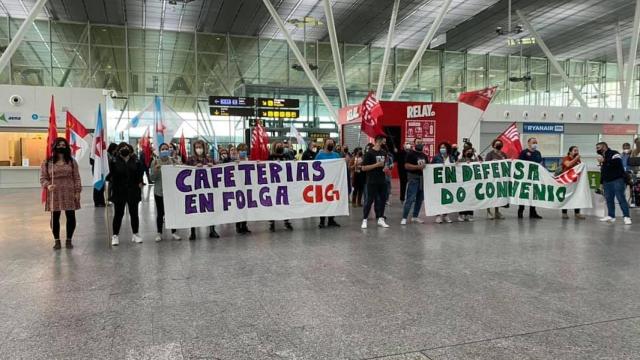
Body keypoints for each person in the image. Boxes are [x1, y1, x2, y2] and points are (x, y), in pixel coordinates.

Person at [40, 137, 81, 250]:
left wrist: (77, 191)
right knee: (55, 217)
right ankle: (56, 240)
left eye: (63, 145)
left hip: (69, 192)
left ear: (67, 147)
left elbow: (77, 177)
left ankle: (69, 240)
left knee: (71, 216)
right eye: (59, 145)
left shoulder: (72, 162)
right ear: (54, 147)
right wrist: (48, 185)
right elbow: (43, 178)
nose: (61, 147)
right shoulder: (47, 163)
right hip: (54, 193)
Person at [109, 142, 144, 246]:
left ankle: (135, 234)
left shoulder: (136, 160)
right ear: (118, 150)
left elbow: (139, 174)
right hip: (119, 191)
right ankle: (115, 235)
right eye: (122, 147)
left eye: (127, 147)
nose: (125, 149)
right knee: (118, 214)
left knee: (134, 214)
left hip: (133, 191)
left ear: (130, 149)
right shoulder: (114, 161)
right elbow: (110, 175)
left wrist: (140, 182)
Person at [187, 140, 220, 240]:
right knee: (194, 209)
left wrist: (212, 166)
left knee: (210, 208)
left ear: (204, 148)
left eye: (200, 147)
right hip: (195, 188)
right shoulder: (191, 159)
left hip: (208, 188)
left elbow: (217, 169)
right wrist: (193, 167)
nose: (198, 149)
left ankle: (212, 230)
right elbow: (184, 170)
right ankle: (192, 232)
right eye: (197, 147)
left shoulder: (209, 159)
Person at [150, 143, 182, 242]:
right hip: (159, 191)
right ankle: (159, 233)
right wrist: (155, 170)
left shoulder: (173, 161)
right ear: (159, 151)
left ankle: (174, 232)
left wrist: (179, 165)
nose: (165, 150)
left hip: (171, 191)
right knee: (160, 213)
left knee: (172, 212)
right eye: (163, 149)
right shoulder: (155, 162)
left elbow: (180, 172)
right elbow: (152, 179)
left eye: (166, 149)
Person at [597, 142, 632, 225]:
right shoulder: (603, 156)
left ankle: (626, 217)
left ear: (604, 147)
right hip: (607, 182)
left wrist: (604, 161)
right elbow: (603, 171)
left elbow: (617, 163)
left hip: (617, 180)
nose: (597, 150)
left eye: (598, 147)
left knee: (621, 198)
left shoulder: (614, 153)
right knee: (609, 199)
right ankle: (611, 216)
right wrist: (601, 183)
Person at [360, 135, 390, 229]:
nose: (384, 143)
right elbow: (364, 168)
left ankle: (381, 218)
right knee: (369, 200)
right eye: (383, 141)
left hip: (382, 180)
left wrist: (386, 168)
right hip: (371, 180)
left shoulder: (384, 152)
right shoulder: (369, 153)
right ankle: (364, 219)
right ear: (378, 141)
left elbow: (385, 165)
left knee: (382, 200)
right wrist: (376, 165)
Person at [315, 139, 342, 228]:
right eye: (329, 142)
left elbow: (340, 167)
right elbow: (314, 167)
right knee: (323, 201)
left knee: (332, 201)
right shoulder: (320, 155)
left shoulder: (336, 155)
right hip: (323, 182)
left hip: (334, 182)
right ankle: (322, 221)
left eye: (332, 143)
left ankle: (331, 220)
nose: (330, 144)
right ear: (325, 144)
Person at [269, 141, 294, 231]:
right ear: (274, 147)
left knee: (285, 203)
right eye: (278, 145)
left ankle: (286, 221)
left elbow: (292, 165)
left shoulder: (287, 156)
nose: (280, 146)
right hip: (273, 184)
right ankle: (272, 223)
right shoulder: (270, 157)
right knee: (273, 204)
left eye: (281, 145)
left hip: (285, 183)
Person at [401, 139, 427, 225]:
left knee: (420, 199)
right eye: (418, 143)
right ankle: (404, 217)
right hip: (413, 179)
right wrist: (418, 167)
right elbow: (406, 166)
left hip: (422, 179)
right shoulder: (410, 154)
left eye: (421, 143)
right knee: (410, 198)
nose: (420, 144)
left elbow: (427, 167)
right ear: (414, 144)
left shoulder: (424, 155)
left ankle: (415, 216)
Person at [518, 138, 543, 219]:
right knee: (524, 194)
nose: (535, 143)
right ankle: (520, 210)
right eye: (533, 142)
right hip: (525, 177)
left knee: (534, 194)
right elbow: (519, 164)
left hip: (535, 177)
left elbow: (540, 163)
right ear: (528, 143)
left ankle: (533, 212)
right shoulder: (524, 152)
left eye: (536, 142)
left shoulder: (538, 153)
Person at [431, 142, 456, 224]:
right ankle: (438, 215)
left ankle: (445, 215)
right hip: (438, 181)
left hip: (448, 181)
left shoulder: (451, 157)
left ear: (447, 148)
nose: (442, 149)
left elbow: (454, 166)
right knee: (438, 198)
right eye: (441, 147)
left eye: (444, 147)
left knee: (447, 198)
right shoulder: (436, 157)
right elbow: (431, 167)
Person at [560, 146, 586, 220]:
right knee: (566, 196)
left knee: (577, 196)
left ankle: (577, 213)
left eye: (577, 150)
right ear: (570, 151)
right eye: (575, 150)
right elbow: (568, 164)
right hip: (567, 181)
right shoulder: (566, 158)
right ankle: (564, 213)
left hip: (575, 181)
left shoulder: (578, 160)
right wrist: (576, 159)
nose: (576, 152)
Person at [484, 139, 508, 220]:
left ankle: (497, 212)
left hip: (500, 178)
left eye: (500, 144)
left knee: (498, 195)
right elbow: (485, 165)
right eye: (497, 144)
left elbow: (507, 164)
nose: (499, 145)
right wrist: (492, 162)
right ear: (493, 145)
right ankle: (488, 212)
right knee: (490, 194)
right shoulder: (490, 154)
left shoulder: (503, 154)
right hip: (491, 178)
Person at [457, 147, 478, 221]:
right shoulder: (461, 160)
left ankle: (470, 214)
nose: (470, 152)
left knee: (470, 198)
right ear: (464, 152)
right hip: (462, 183)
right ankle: (462, 214)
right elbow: (456, 166)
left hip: (471, 183)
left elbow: (479, 163)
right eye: (468, 151)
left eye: (471, 151)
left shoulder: (473, 160)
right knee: (462, 198)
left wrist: (475, 154)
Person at [234, 144, 251, 235]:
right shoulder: (234, 160)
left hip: (246, 186)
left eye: (245, 150)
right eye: (241, 150)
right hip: (237, 186)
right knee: (238, 206)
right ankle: (238, 226)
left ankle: (244, 225)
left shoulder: (248, 160)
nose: (243, 152)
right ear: (238, 151)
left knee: (246, 207)